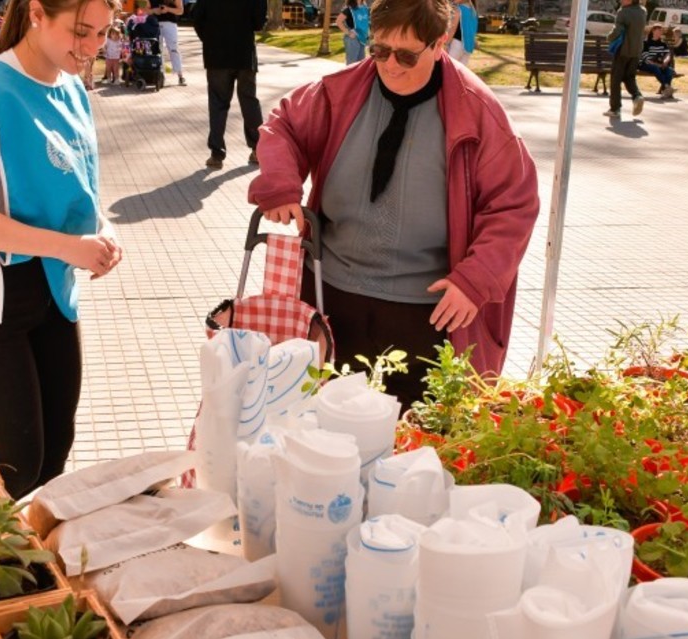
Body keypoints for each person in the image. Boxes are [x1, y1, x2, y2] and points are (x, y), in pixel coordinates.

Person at [247, 0, 539, 404]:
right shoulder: (340, 91)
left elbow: (514, 203)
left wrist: (476, 281)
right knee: (323, 426)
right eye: (379, 51)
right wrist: (280, 183)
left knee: (412, 444)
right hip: (331, 296)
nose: (391, 66)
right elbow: (284, 125)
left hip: (427, 313)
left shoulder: (478, 111)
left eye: (406, 54)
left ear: (440, 43)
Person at [0, 0, 124, 499]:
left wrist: (101, 230)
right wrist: (67, 246)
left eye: (103, 33)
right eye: (81, 31)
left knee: (56, 451)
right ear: (37, 13)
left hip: (53, 287)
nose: (93, 48)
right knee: (19, 466)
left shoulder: (72, 85)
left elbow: (74, 184)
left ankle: (38, 570)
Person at [194, 0, 266, 169]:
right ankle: (258, 149)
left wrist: (210, 39)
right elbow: (259, 22)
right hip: (244, 53)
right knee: (249, 101)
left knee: (218, 103)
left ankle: (217, 154)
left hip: (216, 54)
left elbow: (197, 18)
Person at [604, 0, 645, 118]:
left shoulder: (623, 12)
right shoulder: (643, 11)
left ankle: (615, 109)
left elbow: (617, 31)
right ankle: (637, 96)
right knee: (629, 77)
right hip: (636, 52)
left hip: (623, 51)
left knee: (615, 80)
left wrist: (609, 38)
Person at [149, 0, 185, 85]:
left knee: (173, 48)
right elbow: (145, 11)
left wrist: (168, 9)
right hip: (155, 24)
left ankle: (180, 75)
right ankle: (160, 75)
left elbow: (180, 10)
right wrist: (154, 11)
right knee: (158, 49)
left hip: (170, 23)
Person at [640, 24, 676, 99]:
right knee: (655, 68)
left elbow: (667, 54)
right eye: (659, 31)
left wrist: (665, 62)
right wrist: (657, 65)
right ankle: (667, 87)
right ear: (653, 31)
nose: (661, 33)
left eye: (661, 31)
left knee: (669, 70)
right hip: (646, 64)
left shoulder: (663, 44)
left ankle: (666, 91)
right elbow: (646, 58)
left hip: (660, 64)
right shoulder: (646, 43)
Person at [336, 0, 370, 64]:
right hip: (353, 38)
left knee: (360, 63)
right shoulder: (349, 9)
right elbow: (338, 21)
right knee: (352, 63)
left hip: (362, 38)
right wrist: (348, 32)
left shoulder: (365, 8)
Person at [446, 0, 476, 66]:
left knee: (448, 69)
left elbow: (452, 29)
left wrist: (445, 44)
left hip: (457, 44)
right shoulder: (473, 11)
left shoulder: (458, 9)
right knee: (459, 72)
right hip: (468, 46)